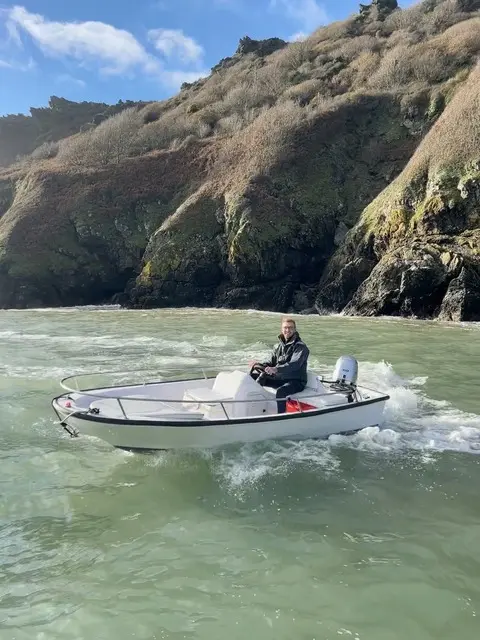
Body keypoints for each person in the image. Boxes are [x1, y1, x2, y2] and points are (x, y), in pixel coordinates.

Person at [249, 317, 310, 414]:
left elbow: (294, 365)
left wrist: (276, 369)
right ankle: (251, 408)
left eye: (290, 328)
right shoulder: (278, 346)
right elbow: (270, 362)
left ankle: (281, 416)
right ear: (282, 329)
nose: (287, 330)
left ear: (294, 330)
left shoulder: (301, 347)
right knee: (250, 377)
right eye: (285, 328)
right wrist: (258, 364)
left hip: (296, 381)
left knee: (281, 392)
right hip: (280, 378)